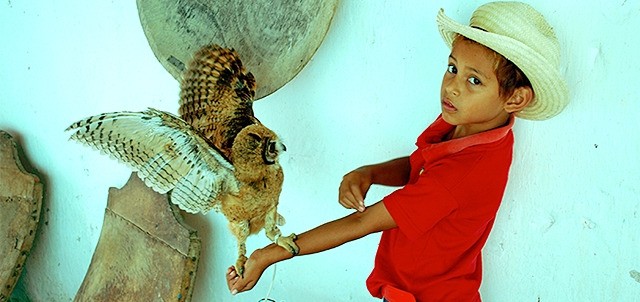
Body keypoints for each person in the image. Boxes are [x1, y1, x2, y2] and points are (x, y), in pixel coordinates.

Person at [226, 1, 569, 301]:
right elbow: (418, 167)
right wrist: (372, 173)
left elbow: (363, 222)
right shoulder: (471, 124)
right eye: (453, 68)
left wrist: (269, 254)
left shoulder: (465, 171)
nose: (452, 86)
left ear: (516, 98)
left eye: (474, 80)